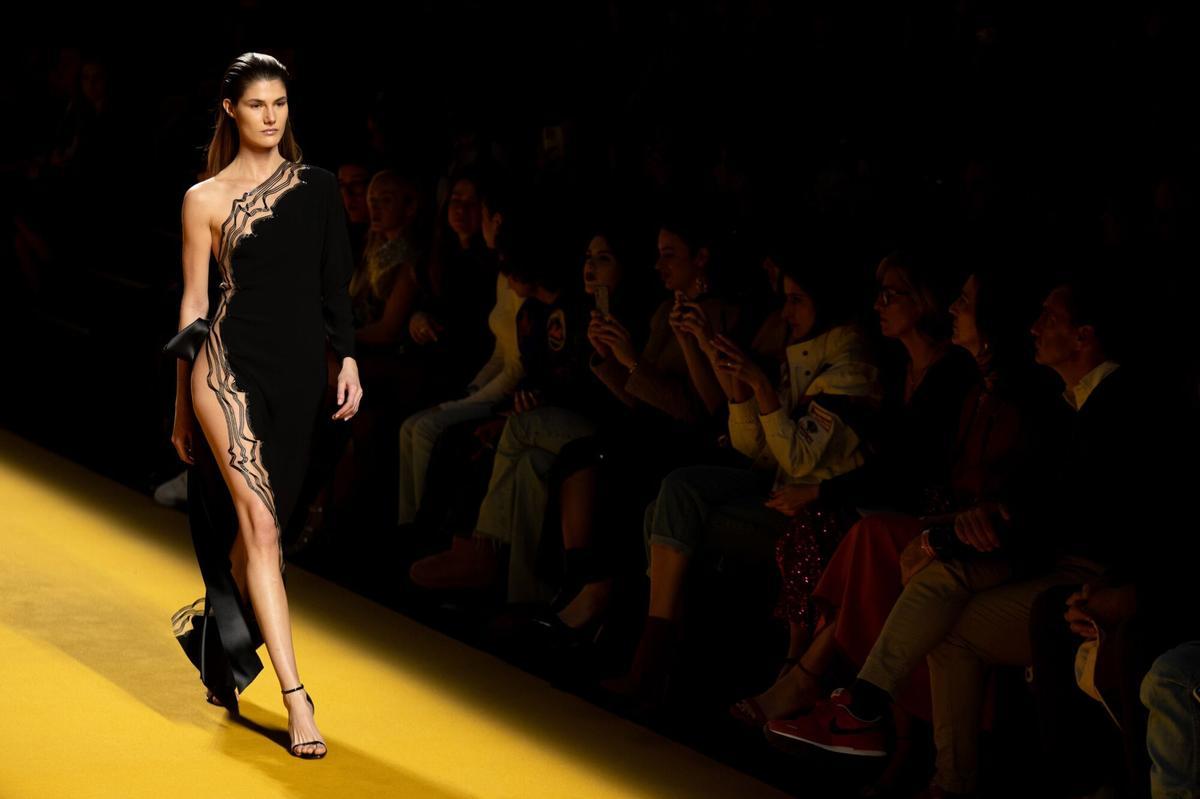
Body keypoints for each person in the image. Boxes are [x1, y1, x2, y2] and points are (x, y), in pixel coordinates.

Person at [168, 53, 362, 760]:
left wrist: (347, 356)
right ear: (230, 110)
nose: (272, 116)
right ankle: (294, 695)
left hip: (298, 378)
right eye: (257, 104)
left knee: (263, 530)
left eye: (281, 103)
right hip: (226, 371)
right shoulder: (205, 198)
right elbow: (193, 306)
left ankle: (219, 641)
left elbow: (334, 286)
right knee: (259, 525)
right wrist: (183, 404)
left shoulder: (318, 189)